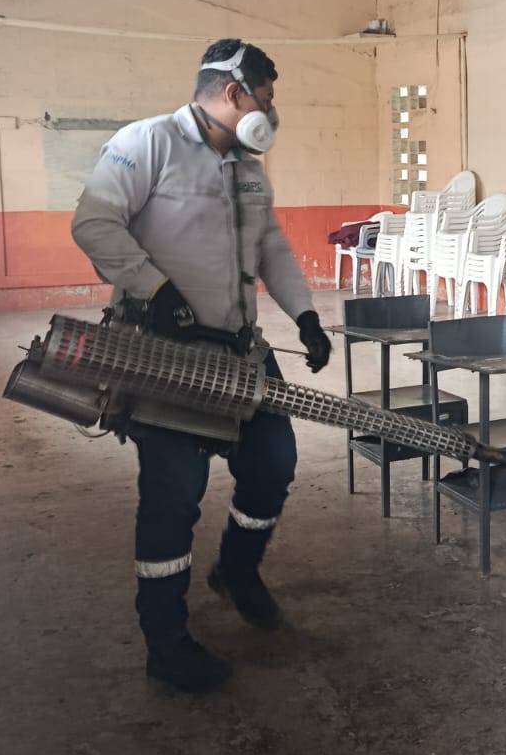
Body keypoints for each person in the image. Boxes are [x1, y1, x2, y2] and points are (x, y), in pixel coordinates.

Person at [71, 40, 332, 694]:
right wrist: (155, 290)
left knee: (273, 463)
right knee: (173, 495)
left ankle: (237, 570)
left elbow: (270, 246)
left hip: (242, 351)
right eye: (265, 98)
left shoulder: (247, 166)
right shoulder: (147, 143)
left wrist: (304, 314)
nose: (271, 111)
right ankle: (166, 643)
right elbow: (95, 224)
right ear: (234, 93)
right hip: (166, 356)